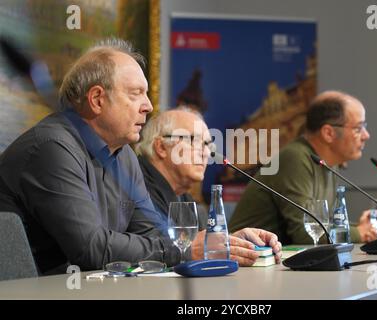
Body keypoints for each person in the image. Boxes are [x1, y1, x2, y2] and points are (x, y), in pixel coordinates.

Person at [0, 38, 280, 274]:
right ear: (97, 99)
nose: (148, 106)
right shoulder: (52, 148)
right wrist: (188, 249)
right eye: (136, 94)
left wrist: (223, 243)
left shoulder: (123, 156)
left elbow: (153, 233)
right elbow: (90, 249)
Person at [229, 90, 377, 245]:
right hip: (248, 261)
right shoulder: (295, 158)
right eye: (358, 128)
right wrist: (360, 232)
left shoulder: (330, 163)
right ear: (328, 133)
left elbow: (324, 226)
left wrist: (366, 229)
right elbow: (306, 234)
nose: (366, 135)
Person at [134, 107, 281, 263]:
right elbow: (154, 248)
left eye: (208, 145)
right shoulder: (137, 186)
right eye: (195, 141)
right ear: (161, 147)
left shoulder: (183, 196)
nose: (206, 153)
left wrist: (234, 242)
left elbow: (198, 247)